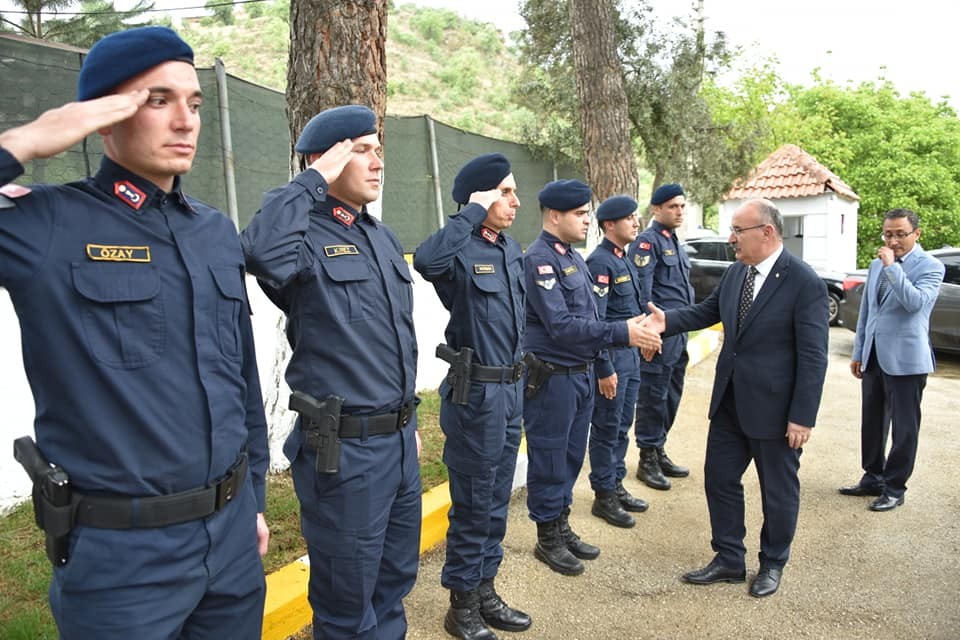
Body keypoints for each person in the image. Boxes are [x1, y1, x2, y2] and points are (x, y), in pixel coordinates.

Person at [0, 26, 269, 638]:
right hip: (123, 560)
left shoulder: (214, 232)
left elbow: (240, 379)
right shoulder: (48, 226)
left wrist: (249, 495)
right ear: (101, 119)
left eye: (195, 103)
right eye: (157, 101)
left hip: (229, 544)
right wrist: (31, 139)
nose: (185, 121)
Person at [241, 105, 421, 639]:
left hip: (397, 443)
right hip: (345, 454)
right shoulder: (301, 239)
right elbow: (261, 250)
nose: (377, 162)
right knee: (346, 606)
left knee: (393, 585)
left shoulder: (382, 239)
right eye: (361, 150)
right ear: (327, 159)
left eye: (378, 151)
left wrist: (406, 429)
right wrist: (311, 181)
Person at [643, 198, 828, 598]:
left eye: (737, 231)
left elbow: (814, 357)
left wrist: (802, 416)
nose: (730, 239)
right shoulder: (737, 273)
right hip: (730, 401)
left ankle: (773, 562)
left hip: (777, 411)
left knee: (777, 491)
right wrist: (667, 321)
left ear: (767, 232)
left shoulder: (803, 282)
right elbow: (708, 311)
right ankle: (729, 558)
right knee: (720, 479)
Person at [414, 153, 531, 640]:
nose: (515, 201)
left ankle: (485, 589)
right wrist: (471, 212)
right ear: (481, 197)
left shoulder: (509, 249)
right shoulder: (458, 251)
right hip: (475, 395)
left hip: (511, 392)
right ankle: (460, 604)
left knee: (497, 497)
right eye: (504, 192)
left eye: (513, 192)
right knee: (474, 500)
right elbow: (425, 260)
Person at [523, 179, 661, 577]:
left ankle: (561, 524)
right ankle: (547, 536)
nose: (588, 221)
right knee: (549, 458)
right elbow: (563, 325)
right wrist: (623, 334)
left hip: (580, 374)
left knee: (569, 458)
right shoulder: (539, 260)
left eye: (587, 213)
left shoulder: (574, 259)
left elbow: (594, 319)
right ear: (554, 216)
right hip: (554, 379)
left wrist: (614, 344)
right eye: (580, 214)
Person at [839, 208, 945, 512]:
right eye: (888, 234)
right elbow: (867, 313)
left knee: (904, 428)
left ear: (916, 234)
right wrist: (859, 352)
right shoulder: (875, 266)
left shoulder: (931, 266)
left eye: (900, 234)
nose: (893, 240)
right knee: (871, 422)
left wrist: (893, 268)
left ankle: (895, 487)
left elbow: (914, 304)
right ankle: (872, 477)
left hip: (907, 361)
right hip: (873, 356)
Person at [585, 195, 650, 529]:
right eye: (629, 218)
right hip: (612, 358)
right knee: (607, 426)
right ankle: (603, 495)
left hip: (631, 357)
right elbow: (596, 323)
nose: (636, 223)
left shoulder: (624, 259)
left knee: (623, 424)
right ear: (609, 224)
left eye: (636, 217)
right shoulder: (600, 263)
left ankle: (616, 482)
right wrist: (604, 367)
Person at [629, 183, 694, 491]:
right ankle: (647, 459)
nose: (679, 211)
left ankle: (658, 448)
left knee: (671, 396)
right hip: (658, 335)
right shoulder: (647, 243)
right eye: (672, 206)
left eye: (682, 206)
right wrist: (644, 334)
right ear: (656, 209)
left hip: (678, 334)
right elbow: (641, 292)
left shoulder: (676, 242)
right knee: (653, 396)